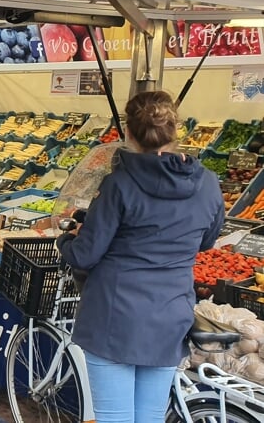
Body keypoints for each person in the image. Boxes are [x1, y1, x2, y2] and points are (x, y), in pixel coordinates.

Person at [56, 91, 224, 423]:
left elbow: (85, 255)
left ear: (128, 134)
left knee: (114, 417)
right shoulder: (208, 184)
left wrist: (64, 240)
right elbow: (206, 241)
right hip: (169, 316)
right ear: (178, 130)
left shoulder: (118, 184)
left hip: (113, 318)